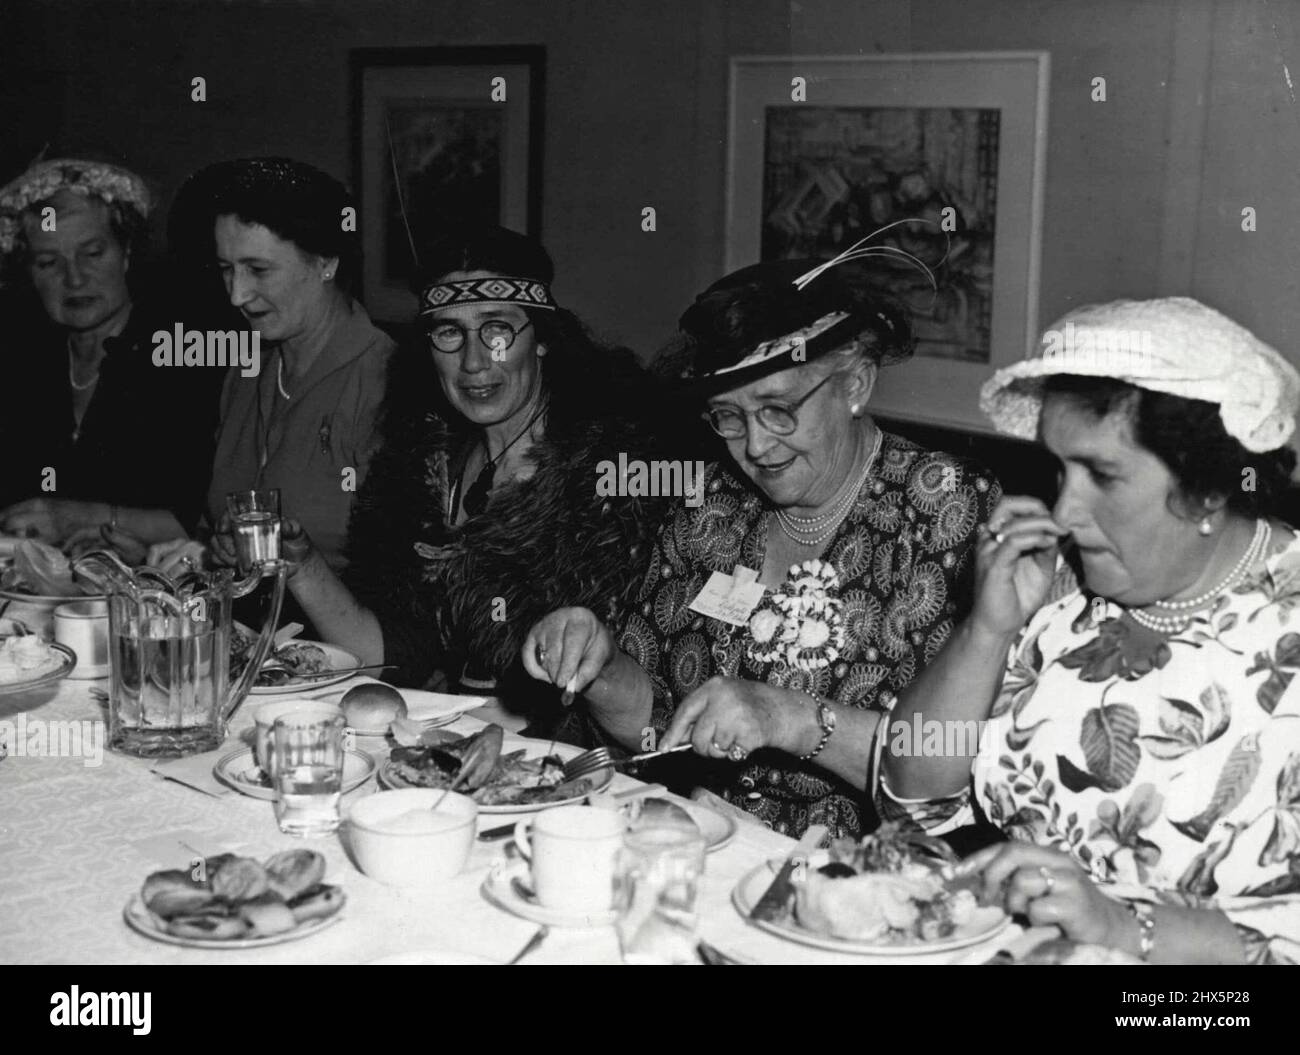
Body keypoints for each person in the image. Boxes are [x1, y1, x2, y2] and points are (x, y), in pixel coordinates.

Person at [878, 297, 1300, 964]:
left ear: (1209, 488)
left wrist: (1126, 926)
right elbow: (910, 795)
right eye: (1059, 469)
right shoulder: (1064, 585)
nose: (1065, 510)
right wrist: (986, 631)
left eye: (1102, 474)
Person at [524, 251, 1001, 837]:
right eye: (728, 417)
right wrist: (597, 668)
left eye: (778, 411)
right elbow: (661, 731)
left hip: (862, 876)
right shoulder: (712, 505)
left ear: (855, 382)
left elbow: (969, 759)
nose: (754, 447)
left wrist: (791, 716)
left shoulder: (948, 507)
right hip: (706, 846)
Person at [252, 225, 677, 732]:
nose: (474, 362)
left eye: (497, 330)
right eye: (450, 332)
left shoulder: (614, 478)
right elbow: (392, 656)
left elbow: (638, 686)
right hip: (445, 743)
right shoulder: (422, 469)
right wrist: (303, 568)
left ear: (541, 339)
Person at [146, 157, 396, 577]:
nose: (237, 295)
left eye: (258, 270)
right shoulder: (246, 373)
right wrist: (203, 554)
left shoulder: (387, 382)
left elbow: (403, 582)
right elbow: (228, 531)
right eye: (227, 269)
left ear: (326, 262)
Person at [0, 158, 222, 554]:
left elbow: (202, 519)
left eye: (92, 253)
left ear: (127, 252)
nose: (74, 278)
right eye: (49, 262)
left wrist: (80, 517)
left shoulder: (185, 357)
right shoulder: (23, 364)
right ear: (28, 272)